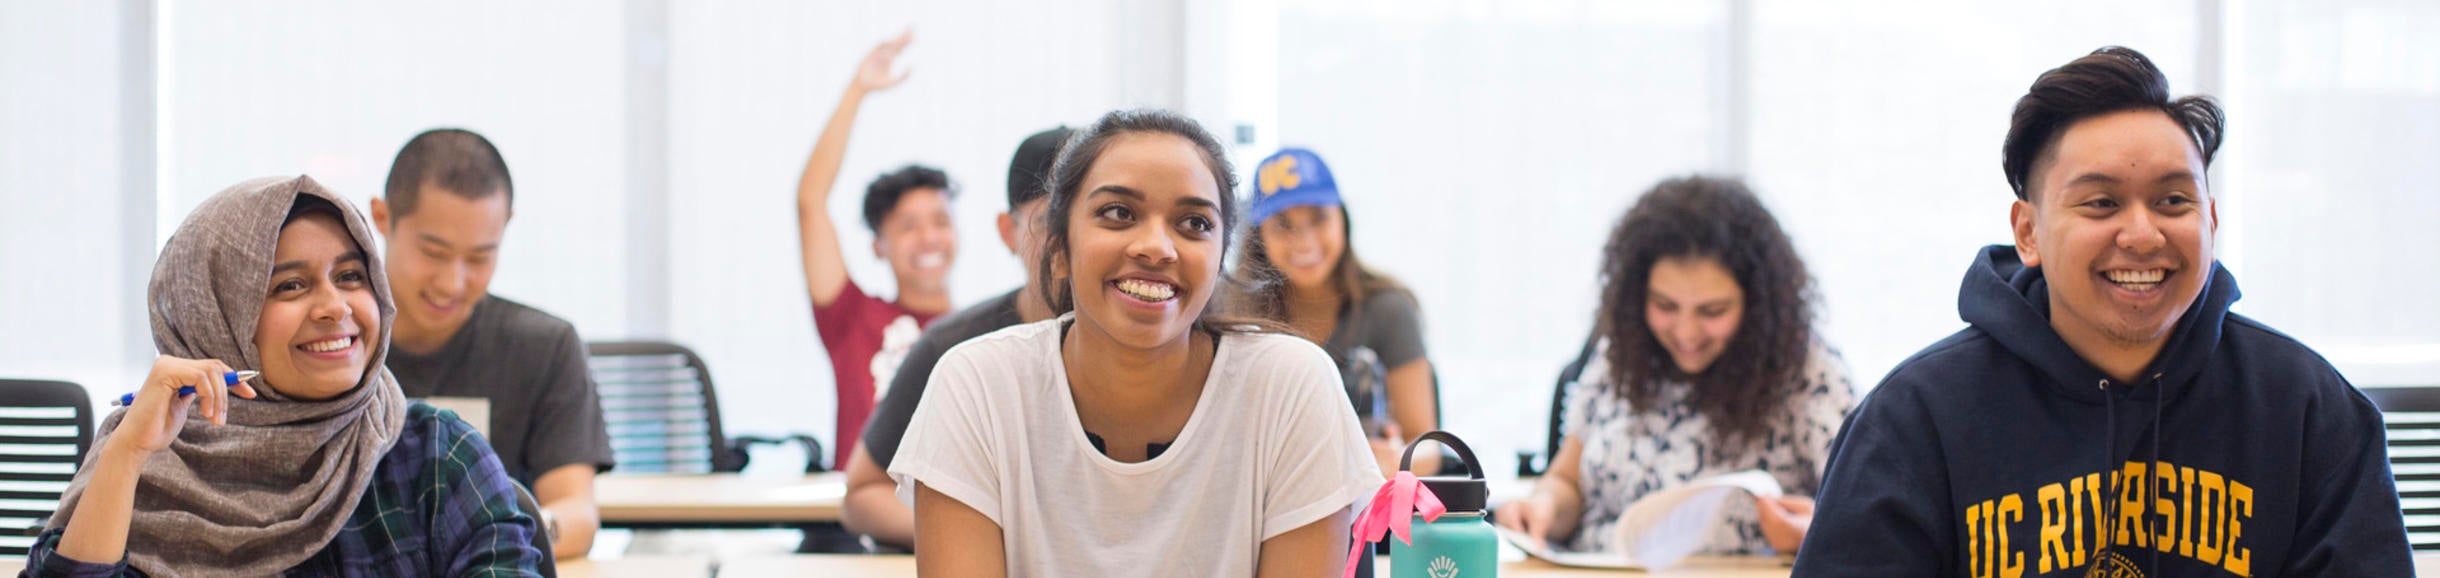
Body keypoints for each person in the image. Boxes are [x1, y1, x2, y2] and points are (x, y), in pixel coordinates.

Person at [1793, 46, 2412, 577]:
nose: (2142, 235)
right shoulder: (1913, 418)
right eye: (2100, 203)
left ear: (2212, 221)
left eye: (2173, 200)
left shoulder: (2309, 408)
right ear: (2029, 231)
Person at [888, 110, 1380, 576]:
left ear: (1219, 259)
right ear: (1057, 249)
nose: (1156, 247)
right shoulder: (977, 386)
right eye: (1119, 212)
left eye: (1194, 224)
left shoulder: (1291, 386)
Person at [25, 176, 545, 576]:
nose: (334, 307)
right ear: (215, 316)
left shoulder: (435, 454)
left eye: (350, 276)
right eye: (290, 286)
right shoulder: (141, 459)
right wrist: (125, 458)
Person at [1494, 176, 1856, 557]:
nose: (1686, 332)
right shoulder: (1620, 356)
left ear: (1757, 305)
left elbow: (1859, 511)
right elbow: (1568, 480)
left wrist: (1814, 529)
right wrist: (1543, 506)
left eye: (1712, 311)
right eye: (1665, 306)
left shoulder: (1809, 373)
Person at [369, 128, 613, 558]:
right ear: (382, 218)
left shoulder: (543, 347)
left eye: (480, 257)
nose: (453, 282)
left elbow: (576, 510)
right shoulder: (331, 340)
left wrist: (504, 534)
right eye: (433, 252)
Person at [841, 126, 1073, 549]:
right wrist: (979, 539)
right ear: (1008, 232)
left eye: (1095, 216)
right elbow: (862, 494)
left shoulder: (1150, 337)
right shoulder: (952, 346)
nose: (1069, 239)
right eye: (1047, 220)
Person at [1227, 147, 1442, 476]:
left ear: (1342, 218)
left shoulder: (1389, 308)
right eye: (1284, 224)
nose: (1305, 241)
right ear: (1259, 236)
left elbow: (1429, 445)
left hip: (1364, 506)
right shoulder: (1229, 310)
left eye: (1319, 218)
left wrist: (1396, 458)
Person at [795, 30, 956, 468]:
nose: (929, 238)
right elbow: (811, 202)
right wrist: (857, 91)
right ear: (878, 246)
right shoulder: (853, 319)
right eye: (908, 226)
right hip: (860, 521)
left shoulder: (983, 333)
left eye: (941, 222)